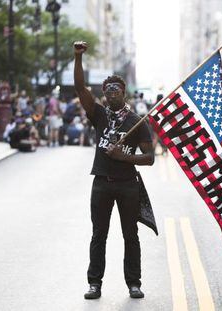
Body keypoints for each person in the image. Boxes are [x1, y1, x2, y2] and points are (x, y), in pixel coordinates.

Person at [73, 41, 154, 300]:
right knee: (99, 235)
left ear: (124, 92)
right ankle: (94, 283)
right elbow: (79, 88)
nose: (111, 92)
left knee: (130, 235)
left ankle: (134, 283)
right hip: (102, 183)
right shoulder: (99, 115)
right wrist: (78, 58)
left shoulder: (137, 122)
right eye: (107, 89)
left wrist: (125, 157)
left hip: (128, 184)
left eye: (116, 89)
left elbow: (150, 158)